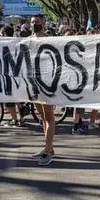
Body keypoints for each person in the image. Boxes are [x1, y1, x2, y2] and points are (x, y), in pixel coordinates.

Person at [29, 14, 57, 166]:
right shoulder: (29, 39)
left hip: (46, 82)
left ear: (44, 23)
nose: (34, 24)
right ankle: (48, 147)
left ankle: (48, 149)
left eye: (37, 22)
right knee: (42, 116)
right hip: (33, 83)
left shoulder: (48, 39)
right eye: (32, 22)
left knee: (49, 115)